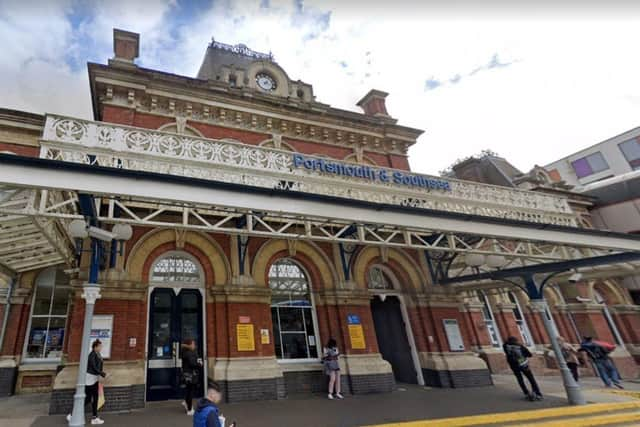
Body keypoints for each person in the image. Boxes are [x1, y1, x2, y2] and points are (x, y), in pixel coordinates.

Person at [67, 339, 107, 425]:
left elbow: (98, 366)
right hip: (90, 378)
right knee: (88, 398)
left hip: (94, 378)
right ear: (95, 347)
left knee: (95, 397)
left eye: (101, 346)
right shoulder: (92, 355)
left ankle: (95, 417)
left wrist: (100, 374)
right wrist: (102, 373)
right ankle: (72, 414)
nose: (101, 348)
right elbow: (93, 367)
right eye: (100, 346)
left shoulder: (98, 354)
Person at [503, 336, 542, 401]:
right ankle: (537, 393)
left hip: (513, 365)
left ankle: (526, 393)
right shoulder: (520, 346)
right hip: (522, 363)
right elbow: (530, 355)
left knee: (520, 379)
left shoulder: (505, 346)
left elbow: (507, 353)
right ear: (516, 340)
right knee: (531, 379)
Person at [182, 338, 203, 416]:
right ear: (190, 345)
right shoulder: (189, 353)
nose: (194, 345)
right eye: (193, 344)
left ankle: (186, 402)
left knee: (188, 389)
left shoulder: (185, 352)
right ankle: (190, 409)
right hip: (191, 374)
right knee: (190, 391)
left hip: (186, 373)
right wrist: (200, 364)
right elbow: (192, 363)